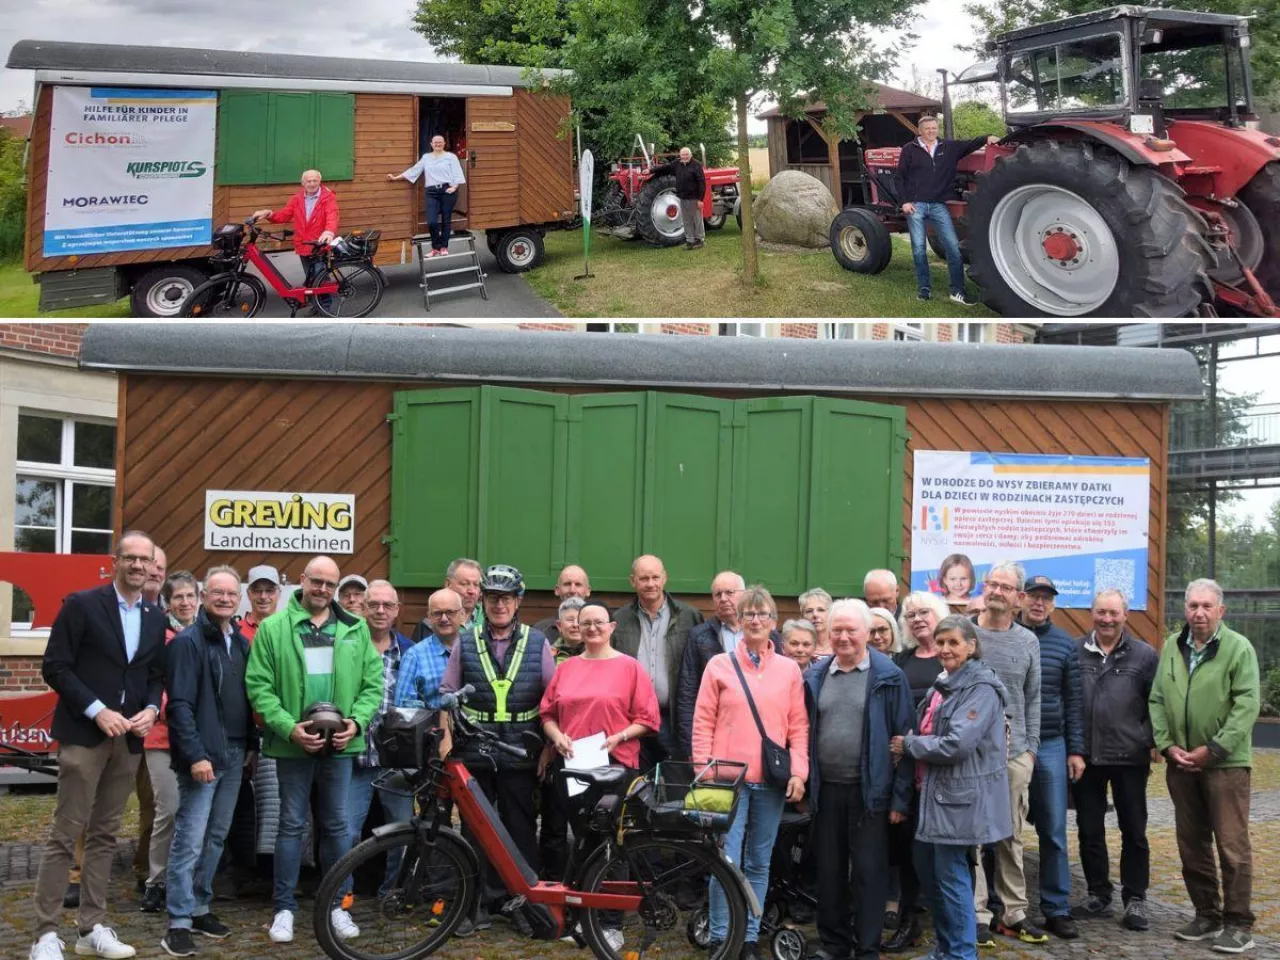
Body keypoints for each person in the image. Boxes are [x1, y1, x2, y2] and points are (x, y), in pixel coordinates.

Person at [31, 531, 166, 960]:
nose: (138, 566)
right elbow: (55, 666)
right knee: (66, 833)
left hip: (127, 741)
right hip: (85, 735)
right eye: (131, 558)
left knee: (106, 835)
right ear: (115, 561)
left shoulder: (154, 616)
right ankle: (44, 934)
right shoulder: (82, 605)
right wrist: (96, 710)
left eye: (145, 560)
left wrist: (151, 709)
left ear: (153, 567)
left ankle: (90, 927)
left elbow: (154, 675)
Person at [245, 555, 383, 945]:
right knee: (290, 824)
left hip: (341, 745)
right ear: (302, 581)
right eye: (316, 581)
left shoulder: (355, 628)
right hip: (293, 746)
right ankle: (284, 908)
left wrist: (356, 722)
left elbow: (373, 685)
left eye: (329, 584)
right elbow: (259, 686)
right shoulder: (273, 629)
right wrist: (289, 729)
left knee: (338, 825)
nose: (322, 589)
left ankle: (337, 906)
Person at [438, 564, 556, 935]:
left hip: (522, 752)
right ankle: (475, 904)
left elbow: (553, 701)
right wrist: (447, 740)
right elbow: (447, 693)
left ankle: (521, 904)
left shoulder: (538, 642)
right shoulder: (465, 642)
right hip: (475, 750)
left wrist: (548, 748)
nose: (499, 605)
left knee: (520, 830)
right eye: (492, 598)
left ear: (518, 601)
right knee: (476, 831)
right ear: (482, 602)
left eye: (506, 598)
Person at [692, 585, 808, 959]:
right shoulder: (719, 665)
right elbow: (702, 721)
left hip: (771, 783)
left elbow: (798, 726)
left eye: (762, 614)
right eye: (748, 614)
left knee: (759, 863)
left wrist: (798, 772)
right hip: (727, 781)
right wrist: (703, 770)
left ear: (774, 621)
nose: (755, 620)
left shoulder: (789, 670)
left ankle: (749, 938)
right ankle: (721, 938)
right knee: (725, 863)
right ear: (739, 621)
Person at [891, 615, 1013, 960]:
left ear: (971, 647)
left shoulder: (980, 689)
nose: (945, 649)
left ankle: (961, 953)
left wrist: (909, 745)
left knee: (950, 878)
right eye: (941, 642)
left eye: (953, 643)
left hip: (958, 799)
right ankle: (946, 948)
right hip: (930, 796)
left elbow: (957, 744)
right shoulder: (942, 684)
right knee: (930, 875)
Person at [1150, 578, 1260, 954]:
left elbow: (1247, 704)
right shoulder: (1172, 646)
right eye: (1193, 606)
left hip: (1225, 764)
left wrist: (1212, 750)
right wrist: (1167, 745)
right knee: (1191, 844)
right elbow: (1157, 698)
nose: (1199, 613)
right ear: (1185, 610)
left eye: (1206, 606)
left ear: (1220, 611)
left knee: (1232, 845)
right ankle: (1206, 914)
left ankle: (1239, 923)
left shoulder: (1238, 648)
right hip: (1181, 763)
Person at [805, 599, 913, 960]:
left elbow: (905, 739)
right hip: (826, 791)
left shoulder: (888, 677)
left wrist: (899, 799)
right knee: (829, 872)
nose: (843, 637)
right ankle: (834, 944)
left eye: (851, 629)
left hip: (871, 794)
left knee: (868, 874)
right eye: (836, 630)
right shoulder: (816, 675)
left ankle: (867, 948)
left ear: (866, 632)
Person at [160, 567, 258, 958]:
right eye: (217, 592)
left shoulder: (240, 643)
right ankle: (178, 920)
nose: (225, 598)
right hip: (203, 756)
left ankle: (200, 905)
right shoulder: (188, 643)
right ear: (203, 596)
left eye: (231, 593)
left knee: (217, 835)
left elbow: (247, 700)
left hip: (234, 753)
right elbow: (180, 706)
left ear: (239, 598)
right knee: (190, 837)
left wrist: (251, 746)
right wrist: (196, 755)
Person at [540, 599, 660, 877]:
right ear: (578, 628)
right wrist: (557, 737)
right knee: (583, 836)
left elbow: (648, 719)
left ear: (612, 627)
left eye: (599, 622)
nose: (592, 628)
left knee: (613, 840)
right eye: (586, 623)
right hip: (573, 765)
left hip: (615, 766)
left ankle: (611, 902)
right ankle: (586, 896)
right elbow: (547, 715)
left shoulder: (630, 667)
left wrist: (621, 736)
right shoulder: (566, 668)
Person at [1071, 588, 1158, 933]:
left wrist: (1145, 739)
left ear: (1126, 615)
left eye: (1113, 613)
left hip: (1130, 757)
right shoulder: (1075, 651)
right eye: (1101, 612)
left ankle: (1135, 897)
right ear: (1091, 613)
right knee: (1089, 829)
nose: (1107, 619)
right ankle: (1098, 893)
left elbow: (1157, 703)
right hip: (1086, 757)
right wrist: (1073, 747)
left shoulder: (1145, 655)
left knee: (1134, 830)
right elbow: (1067, 700)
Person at [972, 561, 1046, 945]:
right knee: (973, 837)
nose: (997, 591)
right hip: (971, 755)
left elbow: (1033, 699)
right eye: (992, 584)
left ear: (1018, 597)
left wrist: (1030, 751)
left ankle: (1014, 912)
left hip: (1015, 754)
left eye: (1005, 587)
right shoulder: (965, 632)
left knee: (1011, 836)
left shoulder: (1028, 641)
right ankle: (976, 913)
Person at [883, 589, 952, 953]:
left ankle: (954, 929)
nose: (918, 619)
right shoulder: (902, 660)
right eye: (910, 615)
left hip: (945, 769)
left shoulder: (951, 657)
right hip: (907, 769)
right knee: (909, 850)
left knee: (946, 854)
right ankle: (908, 921)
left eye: (924, 612)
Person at [1017, 575, 1085, 940]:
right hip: (1010, 743)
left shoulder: (1064, 644)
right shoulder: (1007, 635)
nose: (1039, 603)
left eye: (1046, 598)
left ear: (1054, 604)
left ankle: (1057, 909)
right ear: (1021, 599)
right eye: (1033, 596)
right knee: (1003, 830)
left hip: (1050, 743)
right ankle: (1001, 905)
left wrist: (1076, 750)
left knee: (1054, 831)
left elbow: (1073, 700)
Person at [344, 581, 414, 895]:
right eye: (374, 604)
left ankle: (392, 895)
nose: (381, 611)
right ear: (363, 608)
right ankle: (339, 896)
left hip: (395, 759)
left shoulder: (409, 651)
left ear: (397, 610)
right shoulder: (346, 647)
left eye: (387, 605)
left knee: (402, 833)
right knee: (345, 833)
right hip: (354, 754)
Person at [138, 572, 199, 914]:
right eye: (178, 597)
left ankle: (186, 880)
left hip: (198, 738)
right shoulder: (156, 636)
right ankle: (156, 880)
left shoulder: (206, 633)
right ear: (168, 601)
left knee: (196, 813)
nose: (185, 603)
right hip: (162, 735)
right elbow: (150, 680)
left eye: (190, 596)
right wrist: (168, 708)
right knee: (170, 809)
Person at [678, 571, 783, 758]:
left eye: (729, 592)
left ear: (745, 594)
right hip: (718, 732)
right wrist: (691, 748)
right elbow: (688, 692)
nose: (723, 599)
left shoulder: (768, 634)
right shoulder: (699, 636)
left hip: (762, 732)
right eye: (718, 594)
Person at [897, 115, 999, 305]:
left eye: (934, 128)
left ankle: (957, 290)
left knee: (953, 248)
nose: (931, 131)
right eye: (927, 128)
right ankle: (924, 289)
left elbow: (970, 144)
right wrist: (904, 202)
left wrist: (987, 137)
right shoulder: (909, 149)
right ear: (920, 130)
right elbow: (900, 177)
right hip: (916, 205)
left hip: (938, 204)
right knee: (919, 250)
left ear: (937, 129)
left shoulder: (948, 147)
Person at [613, 555, 704, 768]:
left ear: (664, 578)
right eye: (644, 578)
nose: (650, 584)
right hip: (632, 720)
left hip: (674, 720)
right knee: (635, 779)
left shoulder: (689, 616)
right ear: (632, 581)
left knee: (674, 778)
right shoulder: (619, 619)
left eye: (655, 577)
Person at [130, 544, 166, 900]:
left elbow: (159, 674)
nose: (153, 571)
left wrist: (155, 708)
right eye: (149, 564)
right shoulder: (117, 609)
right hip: (114, 719)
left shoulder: (166, 615)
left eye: (160, 568)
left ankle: (144, 871)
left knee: (152, 804)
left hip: (153, 726)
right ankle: (78, 875)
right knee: (96, 805)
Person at [251, 170, 339, 313]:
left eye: (315, 181)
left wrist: (329, 231)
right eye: (309, 181)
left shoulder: (328, 198)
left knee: (320, 278)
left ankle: (325, 308)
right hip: (303, 244)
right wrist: (269, 213)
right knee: (311, 278)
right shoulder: (297, 199)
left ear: (319, 181)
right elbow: (284, 215)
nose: (312, 184)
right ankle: (317, 305)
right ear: (303, 183)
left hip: (319, 244)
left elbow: (332, 216)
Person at [387, 134, 466, 257]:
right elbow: (414, 170)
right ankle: (436, 248)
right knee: (432, 222)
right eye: (435, 142)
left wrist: (454, 187)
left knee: (446, 219)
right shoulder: (426, 158)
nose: (438, 144)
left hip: (447, 191)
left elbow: (457, 173)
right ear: (431, 144)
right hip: (431, 192)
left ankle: (443, 247)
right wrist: (395, 178)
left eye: (440, 142)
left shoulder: (451, 157)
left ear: (444, 144)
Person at [396, 588, 465, 711]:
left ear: (462, 614)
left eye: (450, 612)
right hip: (432, 723)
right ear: (429, 617)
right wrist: (436, 712)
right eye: (437, 613)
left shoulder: (475, 648)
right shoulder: (414, 657)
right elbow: (403, 707)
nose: (444, 618)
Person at [648, 147, 707, 250]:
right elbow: (665, 168)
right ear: (680, 155)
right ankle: (690, 241)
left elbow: (702, 182)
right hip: (682, 198)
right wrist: (650, 170)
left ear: (690, 155)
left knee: (697, 220)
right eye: (683, 155)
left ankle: (699, 240)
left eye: (686, 154)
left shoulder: (696, 165)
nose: (684, 156)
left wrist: (700, 199)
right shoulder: (677, 164)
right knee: (686, 220)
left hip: (694, 198)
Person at [534, 564, 592, 642]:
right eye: (567, 584)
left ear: (588, 591)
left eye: (578, 585)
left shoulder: (598, 631)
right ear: (557, 590)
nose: (572, 590)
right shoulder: (540, 630)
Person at [239, 565, 281, 642]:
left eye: (269, 590)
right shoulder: (236, 630)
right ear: (248, 594)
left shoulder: (289, 628)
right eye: (257, 590)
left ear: (279, 593)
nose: (263, 596)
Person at [549, 596, 585, 662]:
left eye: (580, 620)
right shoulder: (548, 655)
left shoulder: (598, 654)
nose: (575, 625)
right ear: (559, 626)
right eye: (570, 620)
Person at [800, 588, 834, 657]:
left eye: (821, 610)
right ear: (802, 616)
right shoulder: (797, 646)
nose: (815, 615)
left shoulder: (840, 644)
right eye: (809, 611)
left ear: (831, 614)